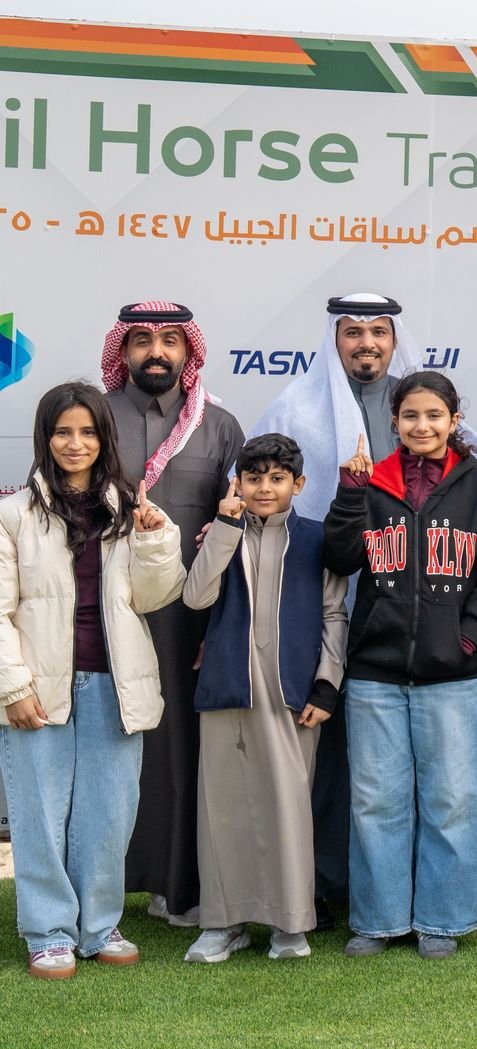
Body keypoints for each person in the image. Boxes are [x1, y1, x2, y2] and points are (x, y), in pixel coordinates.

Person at [322, 371, 477, 959]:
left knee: (452, 799)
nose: (422, 425)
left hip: (456, 673)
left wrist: (468, 636)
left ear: (454, 421)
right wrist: (350, 494)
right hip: (376, 671)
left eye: (434, 415)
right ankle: (378, 919)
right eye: (410, 415)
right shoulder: (373, 482)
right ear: (395, 422)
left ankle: (443, 919)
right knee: (375, 800)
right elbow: (339, 557)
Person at [252, 292, 426, 926]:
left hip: (403, 609)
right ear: (335, 339)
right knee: (322, 752)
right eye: (353, 332)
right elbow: (260, 496)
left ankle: (392, 886)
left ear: (394, 340)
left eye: (379, 332)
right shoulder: (294, 407)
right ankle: (320, 884)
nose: (366, 343)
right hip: (316, 602)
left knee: (390, 757)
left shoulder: (420, 406)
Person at [0, 382, 184, 979]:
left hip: (115, 682)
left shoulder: (128, 509)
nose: (75, 444)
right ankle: (48, 932)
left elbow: (154, 597)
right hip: (38, 686)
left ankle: (100, 925)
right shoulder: (12, 514)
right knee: (40, 813)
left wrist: (154, 538)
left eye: (87, 432)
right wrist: (13, 687)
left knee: (109, 813)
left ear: (104, 437)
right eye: (62, 432)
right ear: (44, 438)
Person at [180, 433, 349, 963]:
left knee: (288, 807)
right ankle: (222, 923)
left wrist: (328, 683)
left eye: (278, 478)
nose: (265, 488)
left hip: (293, 694)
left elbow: (334, 614)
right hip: (229, 687)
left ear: (299, 484)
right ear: (238, 483)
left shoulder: (317, 539)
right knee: (222, 810)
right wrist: (224, 527)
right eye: (254, 478)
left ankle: (289, 924)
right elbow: (196, 596)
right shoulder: (222, 532)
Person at [104, 301, 244, 929]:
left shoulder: (218, 426)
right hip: (105, 614)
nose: (155, 352)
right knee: (108, 745)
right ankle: (100, 888)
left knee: (184, 749)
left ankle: (178, 886)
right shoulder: (91, 418)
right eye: (141, 340)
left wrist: (223, 629)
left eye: (169, 340)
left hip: (189, 620)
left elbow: (239, 530)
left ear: (188, 352)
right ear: (123, 349)